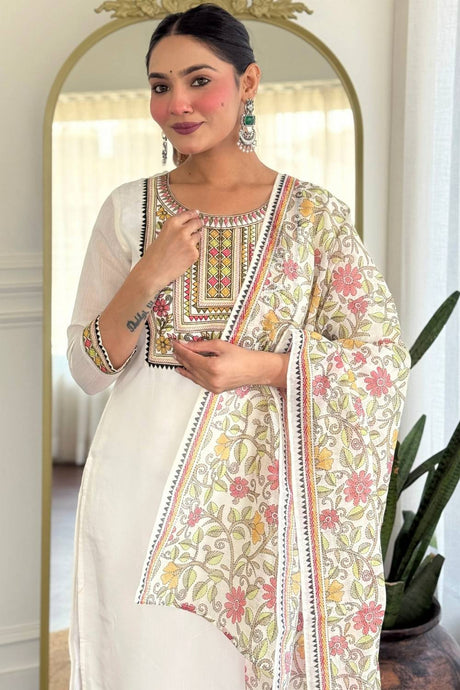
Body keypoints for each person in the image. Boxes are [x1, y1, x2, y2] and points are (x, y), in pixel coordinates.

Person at [67, 4, 410, 689]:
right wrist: (146, 276)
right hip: (139, 493)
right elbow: (87, 370)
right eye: (160, 86)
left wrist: (267, 367)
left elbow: (382, 363)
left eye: (199, 80)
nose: (178, 103)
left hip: (262, 509)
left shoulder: (313, 216)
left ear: (248, 82)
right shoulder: (127, 209)